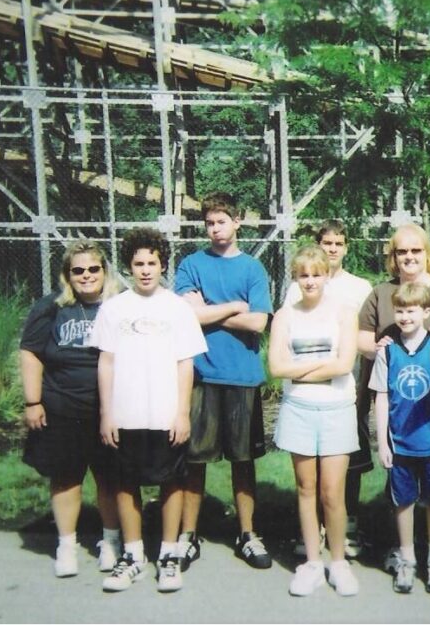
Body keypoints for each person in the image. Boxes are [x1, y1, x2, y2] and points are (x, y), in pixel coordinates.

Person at [91, 227, 207, 593]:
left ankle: (169, 554)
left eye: (151, 263)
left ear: (162, 265)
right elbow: (105, 363)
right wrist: (107, 414)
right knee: (125, 483)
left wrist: (182, 413)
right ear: (128, 266)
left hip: (165, 414)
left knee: (172, 482)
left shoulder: (177, 309)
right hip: (125, 414)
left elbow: (185, 364)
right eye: (138, 263)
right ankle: (134, 555)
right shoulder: (113, 309)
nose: (145, 270)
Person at [357, 223, 430, 569]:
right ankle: (403, 550)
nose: (408, 257)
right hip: (401, 397)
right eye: (401, 251)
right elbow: (362, 340)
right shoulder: (381, 293)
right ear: (393, 256)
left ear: (427, 253)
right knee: (403, 482)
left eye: (415, 250)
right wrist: (383, 351)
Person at [173, 192, 273, 571]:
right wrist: (233, 307)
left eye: (222, 221)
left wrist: (207, 309)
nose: (216, 229)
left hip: (242, 376)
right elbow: (186, 316)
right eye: (210, 223)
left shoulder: (252, 269)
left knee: (243, 461)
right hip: (199, 375)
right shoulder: (191, 264)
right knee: (193, 460)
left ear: (236, 223)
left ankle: (247, 534)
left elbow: (259, 322)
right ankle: (187, 535)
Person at [20, 240, 124, 578]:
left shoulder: (121, 305)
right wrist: (33, 401)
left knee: (110, 478)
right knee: (66, 477)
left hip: (110, 407)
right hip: (62, 405)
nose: (86, 275)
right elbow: (30, 352)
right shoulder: (51, 307)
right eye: (78, 270)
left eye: (93, 269)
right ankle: (66, 544)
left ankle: (111, 541)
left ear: (104, 271)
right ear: (68, 275)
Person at [269, 245, 361, 597]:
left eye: (316, 274)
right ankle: (311, 562)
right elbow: (276, 368)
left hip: (337, 409)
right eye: (303, 275)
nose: (310, 281)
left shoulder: (343, 312)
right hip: (299, 411)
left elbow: (343, 365)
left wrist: (299, 372)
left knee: (332, 493)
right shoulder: (285, 315)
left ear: (326, 275)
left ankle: (338, 562)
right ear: (296, 277)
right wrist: (315, 373)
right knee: (306, 490)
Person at [283, 220, 372, 557]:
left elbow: (355, 344)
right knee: (309, 476)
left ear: (346, 247)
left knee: (348, 462)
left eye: (338, 243)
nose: (333, 248)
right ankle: (312, 534)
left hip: (346, 388)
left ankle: (347, 527)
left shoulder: (358, 286)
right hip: (305, 398)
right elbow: (284, 351)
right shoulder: (298, 289)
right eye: (327, 242)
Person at [371, 282, 430, 595]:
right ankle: (407, 559)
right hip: (401, 442)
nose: (405, 317)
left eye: (411, 310)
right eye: (400, 310)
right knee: (403, 502)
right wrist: (382, 442)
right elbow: (381, 397)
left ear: (425, 311)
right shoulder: (388, 352)